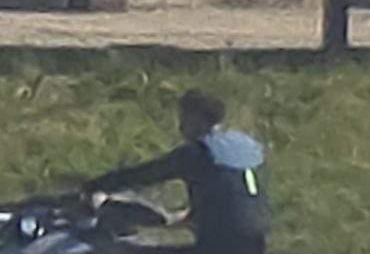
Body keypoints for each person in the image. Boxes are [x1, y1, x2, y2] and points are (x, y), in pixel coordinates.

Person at [87, 89, 269, 254]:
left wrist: (95, 185)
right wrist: (180, 219)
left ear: (197, 118)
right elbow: (235, 198)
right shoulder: (246, 147)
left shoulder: (197, 153)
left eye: (184, 117)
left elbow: (145, 174)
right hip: (255, 245)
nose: (180, 125)